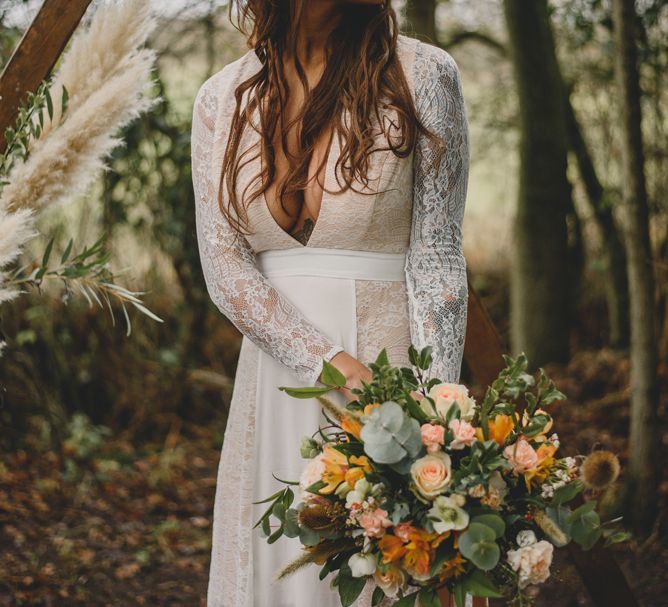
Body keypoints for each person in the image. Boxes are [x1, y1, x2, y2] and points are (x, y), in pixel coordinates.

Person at [191, 1, 474, 605]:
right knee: (278, 570)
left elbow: (437, 256)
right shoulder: (221, 97)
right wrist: (330, 362)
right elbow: (224, 269)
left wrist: (433, 410)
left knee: (387, 575)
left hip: (395, 377)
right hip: (276, 380)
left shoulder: (422, 75)